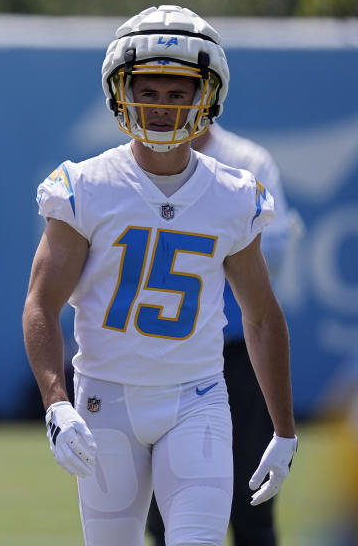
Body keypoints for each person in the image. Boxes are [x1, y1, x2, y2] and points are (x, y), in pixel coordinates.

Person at [21, 4, 297, 545]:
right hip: (104, 400)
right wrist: (57, 403)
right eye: (147, 91)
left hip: (196, 399)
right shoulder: (87, 186)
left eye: (178, 94)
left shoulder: (234, 193)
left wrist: (283, 429)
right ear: (121, 92)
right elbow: (40, 304)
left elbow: (262, 317)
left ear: (206, 97)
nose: (161, 108)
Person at [145, 124, 295, 544]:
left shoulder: (247, 161)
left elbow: (277, 249)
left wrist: (212, 248)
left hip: (236, 347)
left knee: (252, 485)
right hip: (168, 352)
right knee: (162, 502)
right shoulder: (130, 165)